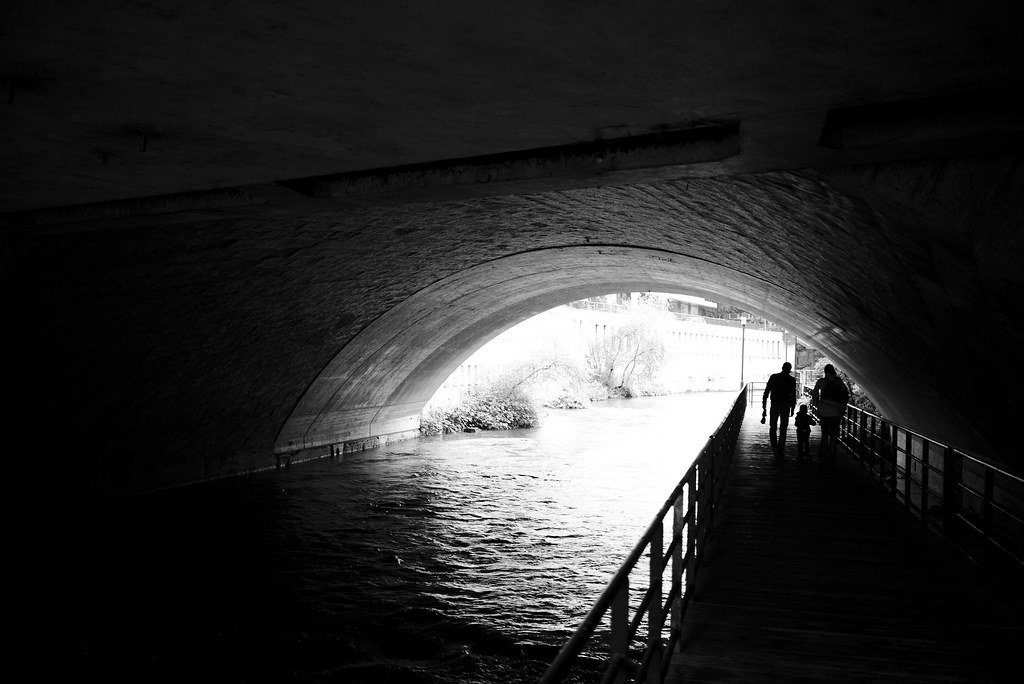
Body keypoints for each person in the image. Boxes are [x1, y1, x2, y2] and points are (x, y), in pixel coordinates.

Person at [812, 364, 850, 461]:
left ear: (825, 372)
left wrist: (817, 402)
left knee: (824, 434)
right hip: (836, 412)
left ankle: (822, 456)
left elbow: (814, 393)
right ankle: (832, 456)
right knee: (833, 435)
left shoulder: (822, 381)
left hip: (824, 411)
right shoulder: (839, 382)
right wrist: (842, 408)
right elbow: (845, 395)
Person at [762, 361, 797, 457]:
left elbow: (766, 391)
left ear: (782, 367)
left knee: (773, 427)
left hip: (775, 404)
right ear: (790, 369)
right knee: (783, 428)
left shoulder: (774, 377)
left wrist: (764, 407)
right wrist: (793, 408)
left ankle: (774, 448)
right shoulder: (791, 380)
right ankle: (781, 449)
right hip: (785, 405)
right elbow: (793, 395)